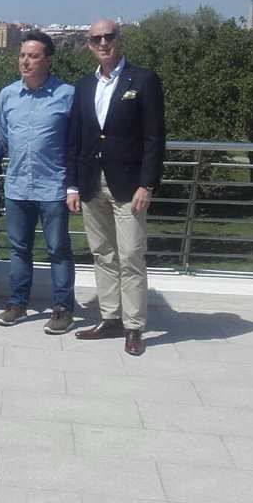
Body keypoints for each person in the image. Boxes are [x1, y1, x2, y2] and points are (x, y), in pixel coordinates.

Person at [67, 19, 166, 356]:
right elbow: (76, 138)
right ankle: (109, 319)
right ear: (89, 44)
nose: (103, 42)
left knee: (131, 256)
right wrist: (72, 185)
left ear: (119, 39)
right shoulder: (83, 85)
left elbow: (155, 137)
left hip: (129, 185)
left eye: (109, 36)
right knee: (103, 254)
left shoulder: (143, 79)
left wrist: (147, 183)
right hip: (91, 182)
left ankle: (134, 326)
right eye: (96, 38)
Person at [0, 30, 76, 333]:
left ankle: (62, 309)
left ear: (48, 60)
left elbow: (76, 143)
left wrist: (73, 185)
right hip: (16, 187)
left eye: (33, 56)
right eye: (22, 55)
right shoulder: (8, 95)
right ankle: (17, 304)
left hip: (53, 187)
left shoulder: (67, 95)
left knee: (58, 249)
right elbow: (3, 135)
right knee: (19, 249)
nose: (25, 62)